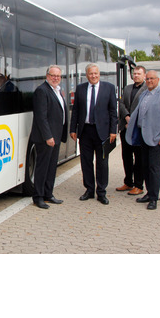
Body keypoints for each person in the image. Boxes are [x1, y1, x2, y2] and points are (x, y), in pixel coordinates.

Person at [125, 70, 160, 210]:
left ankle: (153, 198)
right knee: (145, 167)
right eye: (147, 79)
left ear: (158, 80)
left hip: (156, 139)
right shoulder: (144, 94)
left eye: (152, 79)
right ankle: (148, 193)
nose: (149, 81)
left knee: (154, 169)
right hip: (143, 137)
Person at [70, 63, 118, 205]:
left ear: (99, 74)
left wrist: (113, 130)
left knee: (102, 163)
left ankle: (101, 192)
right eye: (91, 74)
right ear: (87, 75)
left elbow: (113, 111)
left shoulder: (108, 88)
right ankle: (89, 190)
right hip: (85, 131)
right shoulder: (80, 89)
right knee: (86, 162)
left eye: (96, 73)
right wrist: (73, 129)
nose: (94, 76)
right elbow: (76, 110)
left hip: (103, 132)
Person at [29, 65, 68, 209]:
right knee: (42, 168)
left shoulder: (56, 90)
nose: (56, 78)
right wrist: (48, 136)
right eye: (53, 75)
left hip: (55, 136)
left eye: (58, 76)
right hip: (46, 138)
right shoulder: (42, 90)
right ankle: (38, 197)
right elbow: (41, 117)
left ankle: (48, 194)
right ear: (47, 76)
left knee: (52, 168)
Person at [116, 66, 146, 195]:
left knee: (139, 158)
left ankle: (139, 185)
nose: (136, 75)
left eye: (139, 73)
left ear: (144, 75)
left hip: (139, 130)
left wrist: (132, 121)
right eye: (134, 73)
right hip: (126, 127)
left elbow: (144, 108)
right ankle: (128, 182)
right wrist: (126, 117)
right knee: (126, 156)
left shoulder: (147, 89)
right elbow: (121, 104)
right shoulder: (127, 88)